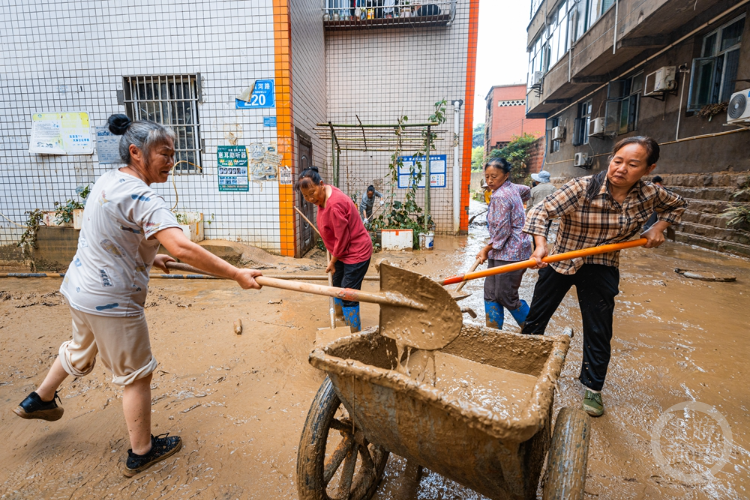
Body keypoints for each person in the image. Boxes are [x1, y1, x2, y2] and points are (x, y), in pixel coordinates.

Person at [13, 115, 263, 477]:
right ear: (136, 152)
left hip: (81, 289)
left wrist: (150, 253)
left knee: (80, 349)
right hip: (112, 301)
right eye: (164, 154)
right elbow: (183, 247)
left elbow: (115, 232)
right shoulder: (144, 196)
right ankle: (141, 451)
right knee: (136, 375)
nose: (171, 161)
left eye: (173, 154)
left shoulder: (108, 180)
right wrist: (236, 273)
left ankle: (40, 398)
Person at [521, 137, 686, 417]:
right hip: (562, 258)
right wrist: (540, 244)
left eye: (632, 164)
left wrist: (659, 226)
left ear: (648, 169)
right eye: (617, 160)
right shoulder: (582, 187)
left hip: (603, 262)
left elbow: (678, 204)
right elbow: (540, 210)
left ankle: (593, 387)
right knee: (537, 317)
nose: (621, 168)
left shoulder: (650, 193)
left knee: (599, 329)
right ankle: (522, 367)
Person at [298, 166, 372, 332]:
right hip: (341, 253)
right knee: (336, 283)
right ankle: (340, 319)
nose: (310, 198)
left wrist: (332, 261)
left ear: (321, 184)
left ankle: (354, 333)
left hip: (356, 253)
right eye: (305, 196)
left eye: (312, 193)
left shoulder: (334, 205)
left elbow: (343, 239)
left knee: (348, 292)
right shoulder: (325, 194)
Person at [476, 157, 532, 330]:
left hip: (511, 252)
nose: (490, 180)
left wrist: (486, 248)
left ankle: (533, 330)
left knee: (506, 296)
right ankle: (493, 333)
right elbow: (527, 190)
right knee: (491, 294)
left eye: (494, 176)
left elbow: (502, 230)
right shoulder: (513, 188)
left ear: (506, 175)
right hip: (501, 250)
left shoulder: (500, 196)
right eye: (487, 177)